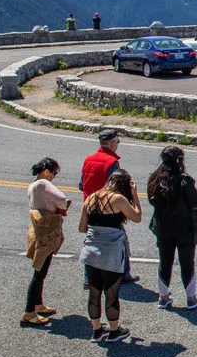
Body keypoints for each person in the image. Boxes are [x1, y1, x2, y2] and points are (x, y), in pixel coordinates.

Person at [78, 169, 142, 342]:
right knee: (111, 293)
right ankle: (114, 330)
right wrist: (135, 196)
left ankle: (96, 330)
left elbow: (82, 228)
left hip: (91, 251)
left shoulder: (91, 197)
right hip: (111, 252)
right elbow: (137, 217)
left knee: (94, 292)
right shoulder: (118, 199)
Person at [147, 146, 197, 310]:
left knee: (165, 261)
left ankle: (163, 296)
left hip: (163, 228)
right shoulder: (184, 180)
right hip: (185, 227)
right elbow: (194, 202)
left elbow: (152, 201)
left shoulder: (155, 179)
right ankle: (191, 298)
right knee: (187, 262)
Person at [81, 129, 137, 284]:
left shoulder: (88, 159)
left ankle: (88, 278)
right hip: (108, 207)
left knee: (90, 241)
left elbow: (81, 184)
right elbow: (116, 187)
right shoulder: (111, 162)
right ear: (112, 143)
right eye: (118, 142)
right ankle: (123, 274)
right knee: (121, 240)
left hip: (90, 206)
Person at [23, 157, 70, 327]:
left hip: (38, 231)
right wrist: (61, 207)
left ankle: (38, 305)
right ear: (46, 171)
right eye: (54, 173)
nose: (53, 177)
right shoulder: (43, 184)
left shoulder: (32, 185)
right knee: (40, 273)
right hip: (48, 232)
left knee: (41, 269)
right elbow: (62, 198)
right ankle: (29, 312)